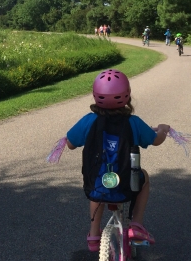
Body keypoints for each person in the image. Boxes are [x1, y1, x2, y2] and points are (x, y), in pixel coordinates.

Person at [65, 69, 171, 251]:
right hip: (127, 184)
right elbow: (156, 140)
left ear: (95, 95)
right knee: (144, 177)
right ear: (127, 96)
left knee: (98, 184)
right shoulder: (133, 123)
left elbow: (70, 144)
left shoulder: (89, 121)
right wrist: (162, 130)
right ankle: (137, 224)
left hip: (96, 186)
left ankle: (93, 235)